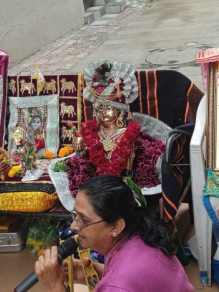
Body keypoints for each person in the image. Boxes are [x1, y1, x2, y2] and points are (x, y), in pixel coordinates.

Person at [35, 175, 194, 292]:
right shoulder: (142, 235)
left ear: (116, 226)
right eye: (75, 215)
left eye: (84, 219)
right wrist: (100, 270)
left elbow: (125, 281)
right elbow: (137, 279)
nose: (74, 226)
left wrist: (54, 286)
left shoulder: (118, 285)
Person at [65, 60, 163, 197]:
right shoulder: (92, 133)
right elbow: (84, 161)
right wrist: (81, 147)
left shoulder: (128, 133)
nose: (104, 112)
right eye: (100, 108)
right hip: (96, 184)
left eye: (109, 108)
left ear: (119, 111)